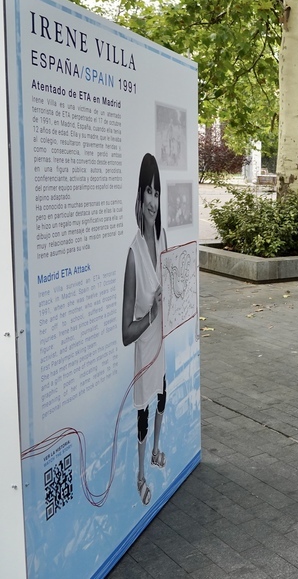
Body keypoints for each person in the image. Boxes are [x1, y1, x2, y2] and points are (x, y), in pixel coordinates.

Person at [122, 153, 168, 506]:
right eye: (147, 192)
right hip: (143, 345)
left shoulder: (163, 237)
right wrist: (151, 316)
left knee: (162, 395)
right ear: (139, 197)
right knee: (143, 410)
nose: (152, 201)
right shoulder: (133, 255)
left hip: (162, 341)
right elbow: (125, 332)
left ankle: (156, 449)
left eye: (156, 192)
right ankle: (139, 475)